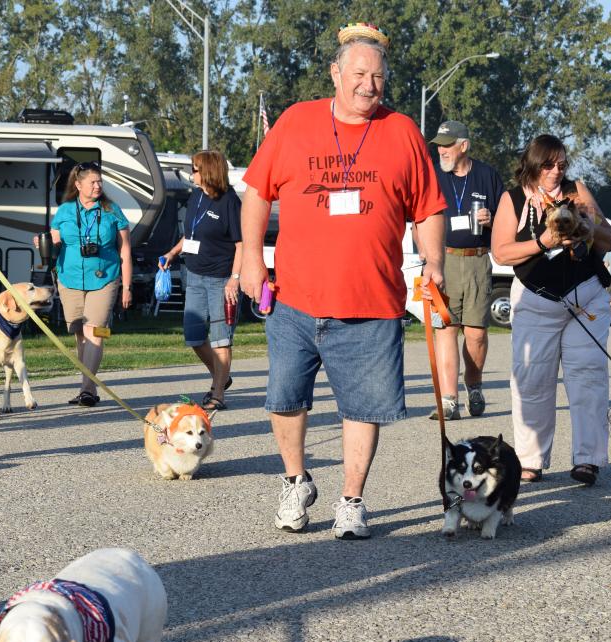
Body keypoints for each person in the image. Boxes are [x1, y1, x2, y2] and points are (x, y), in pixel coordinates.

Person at [239, 23, 447, 537]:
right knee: (285, 398)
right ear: (336, 73)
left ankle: (352, 500)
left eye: (377, 77)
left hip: (372, 301)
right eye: (358, 74)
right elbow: (257, 193)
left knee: (364, 406)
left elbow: (429, 209)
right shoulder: (295, 122)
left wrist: (434, 261)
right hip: (295, 298)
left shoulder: (402, 132)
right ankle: (295, 481)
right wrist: (250, 257)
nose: (368, 85)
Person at [491, 134, 611, 486]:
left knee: (588, 375)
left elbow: (610, 238)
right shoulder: (513, 198)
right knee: (532, 380)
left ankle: (588, 459)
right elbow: (501, 252)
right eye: (548, 165)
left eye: (561, 164)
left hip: (585, 298)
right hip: (536, 299)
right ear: (533, 164)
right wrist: (543, 242)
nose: (556, 171)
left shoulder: (577, 190)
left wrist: (589, 226)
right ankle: (530, 460)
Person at [428, 121, 504, 420]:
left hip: (477, 261)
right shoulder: (432, 176)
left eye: (447, 144)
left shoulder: (486, 175)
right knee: (445, 329)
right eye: (439, 145)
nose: (442, 150)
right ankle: (448, 401)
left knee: (475, 335)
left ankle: (474, 385)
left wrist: (492, 218)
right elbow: (419, 216)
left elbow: (508, 219)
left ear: (464, 145)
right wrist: (427, 257)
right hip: (442, 262)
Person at [44, 162, 133, 407]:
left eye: (99, 181)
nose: (98, 186)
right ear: (78, 184)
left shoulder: (112, 210)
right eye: (92, 182)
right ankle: (90, 389)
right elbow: (55, 241)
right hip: (69, 278)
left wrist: (127, 286)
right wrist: (45, 243)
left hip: (105, 277)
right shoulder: (64, 211)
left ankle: (85, 388)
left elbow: (124, 247)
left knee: (95, 331)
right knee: (79, 333)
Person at [159, 150, 242, 410]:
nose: (190, 173)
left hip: (221, 279)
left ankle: (218, 392)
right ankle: (222, 376)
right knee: (194, 337)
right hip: (193, 275)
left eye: (194, 169)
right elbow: (191, 235)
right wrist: (172, 252)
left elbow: (242, 244)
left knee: (220, 338)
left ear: (207, 172)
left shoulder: (230, 202)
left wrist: (234, 279)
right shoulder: (196, 196)